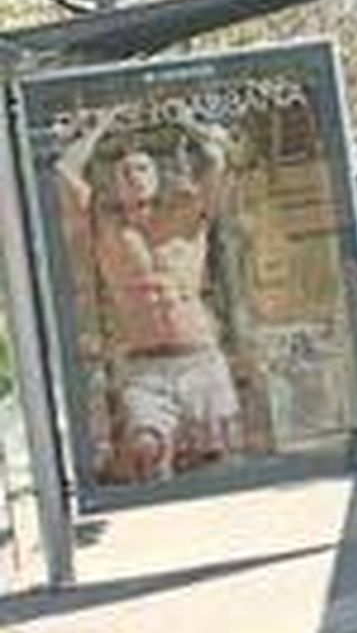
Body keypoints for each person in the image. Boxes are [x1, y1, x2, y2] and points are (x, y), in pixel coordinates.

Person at [55, 105, 241, 484]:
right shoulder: (105, 228)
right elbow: (65, 171)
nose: (134, 177)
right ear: (113, 182)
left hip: (200, 357)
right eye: (125, 171)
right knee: (146, 453)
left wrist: (188, 122)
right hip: (145, 367)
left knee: (218, 460)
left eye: (142, 168)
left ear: (157, 176)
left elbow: (219, 161)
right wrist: (99, 125)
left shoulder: (186, 215)